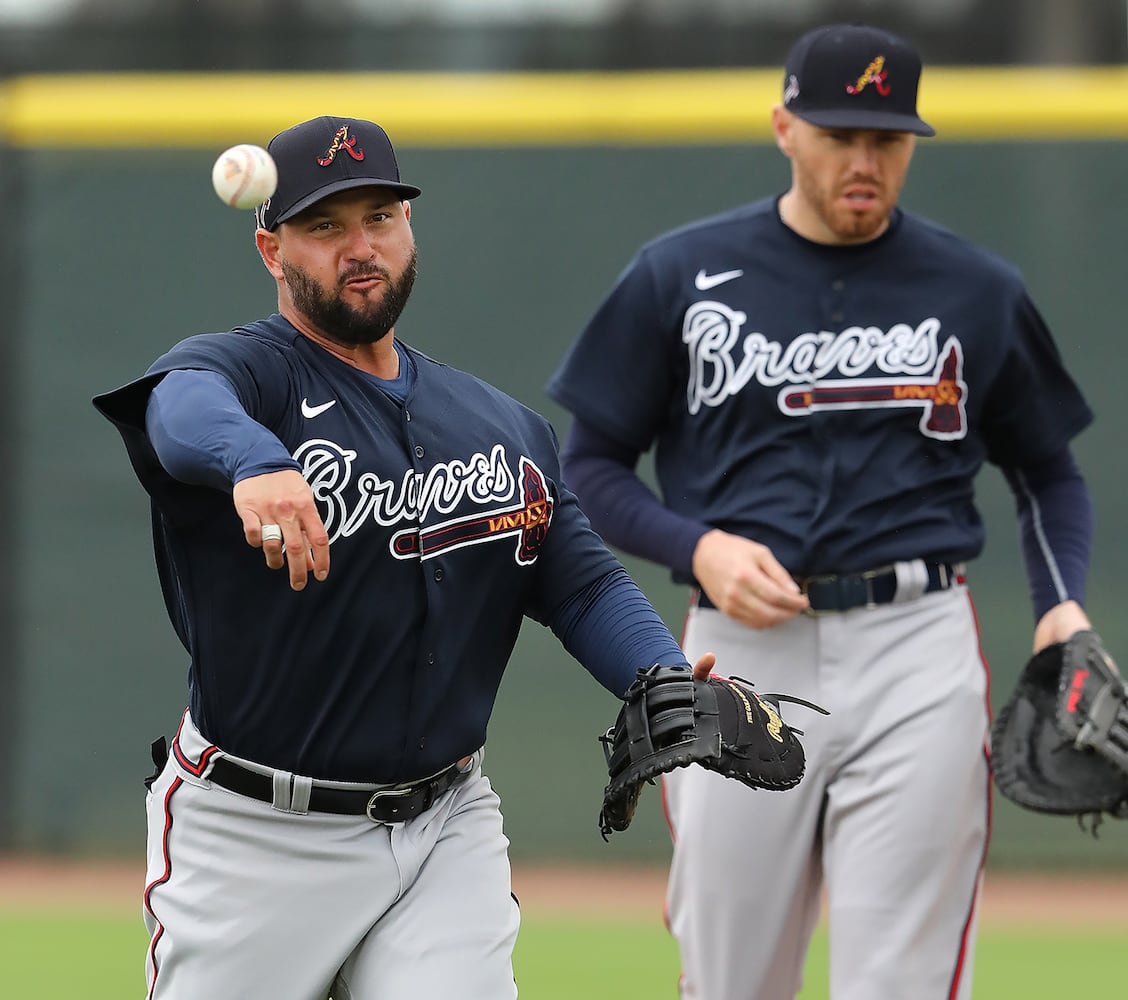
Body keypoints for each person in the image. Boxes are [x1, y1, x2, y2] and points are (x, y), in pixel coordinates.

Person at [93, 115, 720, 1000]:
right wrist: (257, 463)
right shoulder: (245, 377)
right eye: (326, 228)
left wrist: (659, 675)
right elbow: (181, 409)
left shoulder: (500, 425)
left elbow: (578, 583)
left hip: (444, 826)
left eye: (381, 217)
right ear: (272, 251)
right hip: (255, 835)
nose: (361, 247)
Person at [547, 23, 1097, 1000]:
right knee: (731, 979)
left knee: (903, 983)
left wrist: (1060, 604)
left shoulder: (976, 289)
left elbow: (1048, 472)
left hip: (916, 649)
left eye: (886, 139)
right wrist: (697, 545)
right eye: (840, 134)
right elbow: (587, 464)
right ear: (784, 128)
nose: (864, 160)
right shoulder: (680, 274)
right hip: (739, 652)